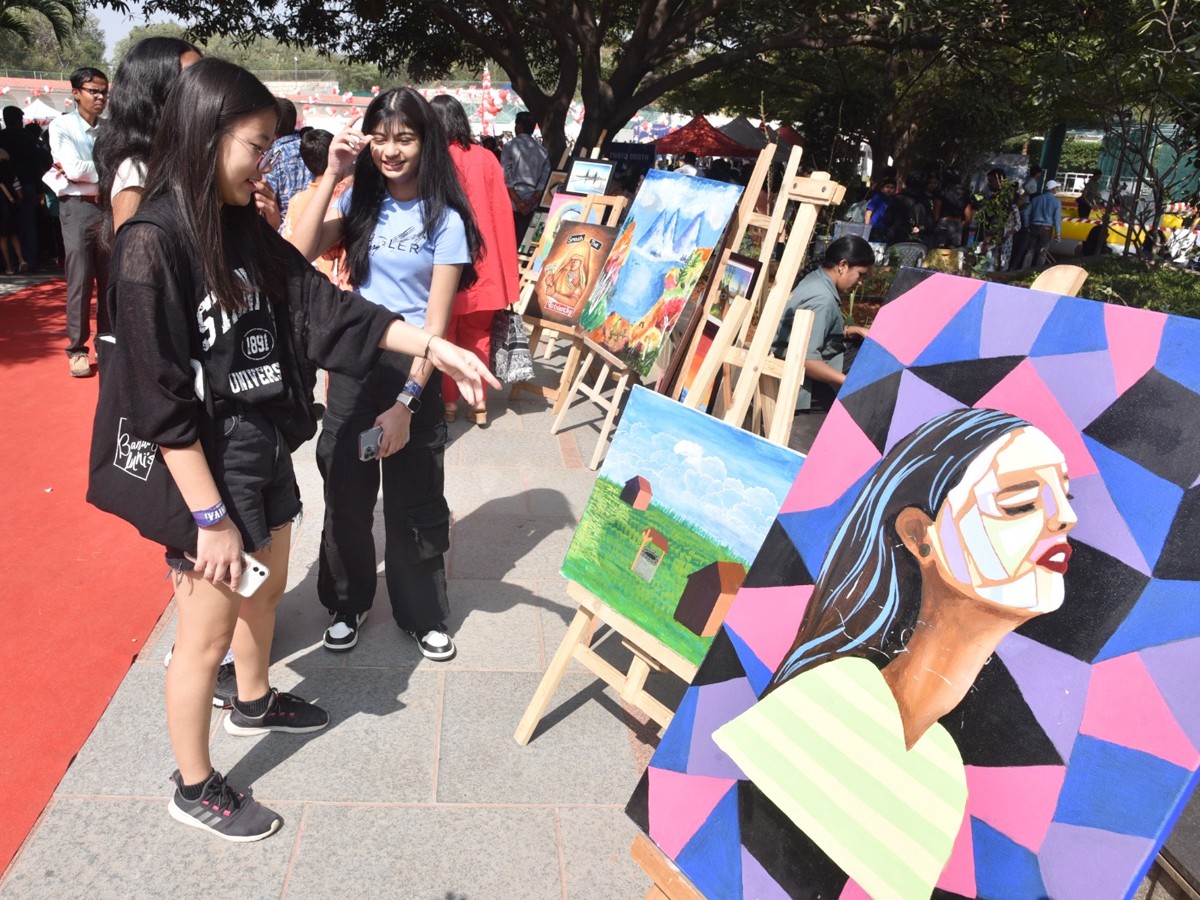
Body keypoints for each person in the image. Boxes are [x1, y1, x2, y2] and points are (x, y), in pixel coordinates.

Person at [97, 58, 496, 842]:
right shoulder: (152, 246)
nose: (269, 162)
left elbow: (325, 305)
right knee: (202, 634)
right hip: (200, 472)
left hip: (259, 440)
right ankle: (195, 781)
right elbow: (159, 404)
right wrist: (207, 517)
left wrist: (433, 350)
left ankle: (254, 699)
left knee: (270, 585)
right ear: (209, 139)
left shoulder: (239, 226)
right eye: (256, 145)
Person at [715, 408, 1076, 900]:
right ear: (919, 536)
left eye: (1065, 496)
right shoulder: (828, 703)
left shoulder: (942, 769)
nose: (1066, 517)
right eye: (1019, 503)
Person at [289, 87, 483, 662]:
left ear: (427, 143)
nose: (391, 150)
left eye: (405, 137)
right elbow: (296, 259)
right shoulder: (358, 205)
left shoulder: (444, 220)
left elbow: (437, 323)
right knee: (346, 493)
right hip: (356, 360)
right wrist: (333, 175)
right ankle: (347, 602)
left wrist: (406, 403)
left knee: (414, 498)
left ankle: (421, 613)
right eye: (381, 137)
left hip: (417, 366)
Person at [429, 94, 519, 426]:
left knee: (443, 337)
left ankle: (449, 404)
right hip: (486, 268)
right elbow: (502, 217)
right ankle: (479, 403)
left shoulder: (433, 160)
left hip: (445, 265)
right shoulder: (486, 158)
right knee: (477, 336)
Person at [772, 234, 874, 454]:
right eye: (860, 275)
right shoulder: (822, 299)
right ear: (843, 265)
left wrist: (848, 330)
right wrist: (847, 382)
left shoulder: (815, 280)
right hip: (802, 388)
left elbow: (811, 331)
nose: (860, 283)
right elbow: (806, 360)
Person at [95, 37, 202, 238]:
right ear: (155, 94)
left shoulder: (188, 158)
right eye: (190, 80)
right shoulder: (136, 171)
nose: (202, 89)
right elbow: (131, 260)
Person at [49, 66, 109, 377]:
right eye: (93, 91)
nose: (101, 97)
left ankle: (108, 343)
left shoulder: (110, 128)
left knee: (110, 279)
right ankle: (76, 349)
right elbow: (73, 169)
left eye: (103, 91)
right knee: (81, 281)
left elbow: (86, 170)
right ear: (76, 93)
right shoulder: (61, 127)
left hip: (109, 208)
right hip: (76, 210)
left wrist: (90, 172)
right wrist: (107, 171)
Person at [280, 128, 340, 283]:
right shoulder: (342, 197)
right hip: (334, 284)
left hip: (306, 281)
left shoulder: (297, 200)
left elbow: (288, 241)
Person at [0, 106, 41, 269]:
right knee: (27, 224)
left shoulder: (1, 137)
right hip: (26, 184)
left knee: (5, 228)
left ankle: (8, 262)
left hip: (4, 188)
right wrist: (39, 189)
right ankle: (29, 259)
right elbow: (36, 164)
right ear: (19, 120)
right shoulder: (27, 138)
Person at [501, 110, 550, 242]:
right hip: (531, 205)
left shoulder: (509, 147)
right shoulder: (542, 151)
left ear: (519, 126)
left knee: (509, 242)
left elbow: (506, 176)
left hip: (511, 204)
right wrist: (531, 201)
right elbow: (543, 181)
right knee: (525, 242)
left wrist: (518, 202)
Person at [263, 98, 308, 225]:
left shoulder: (271, 157)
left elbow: (267, 202)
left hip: (282, 230)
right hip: (312, 225)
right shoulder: (309, 145)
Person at [1024, 178, 1063, 267]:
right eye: (1056, 188)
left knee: (1030, 250)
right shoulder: (1057, 202)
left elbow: (1026, 213)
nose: (1057, 189)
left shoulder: (1036, 199)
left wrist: (1027, 225)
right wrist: (1058, 234)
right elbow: (1057, 219)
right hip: (1047, 228)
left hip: (1034, 226)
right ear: (1053, 189)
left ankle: (1023, 270)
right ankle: (1038, 271)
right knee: (1043, 251)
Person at [865, 178, 895, 242]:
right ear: (882, 189)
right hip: (875, 228)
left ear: (895, 190)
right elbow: (868, 212)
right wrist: (867, 227)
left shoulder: (895, 200)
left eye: (892, 187)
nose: (889, 189)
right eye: (887, 187)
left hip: (888, 230)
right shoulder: (878, 197)